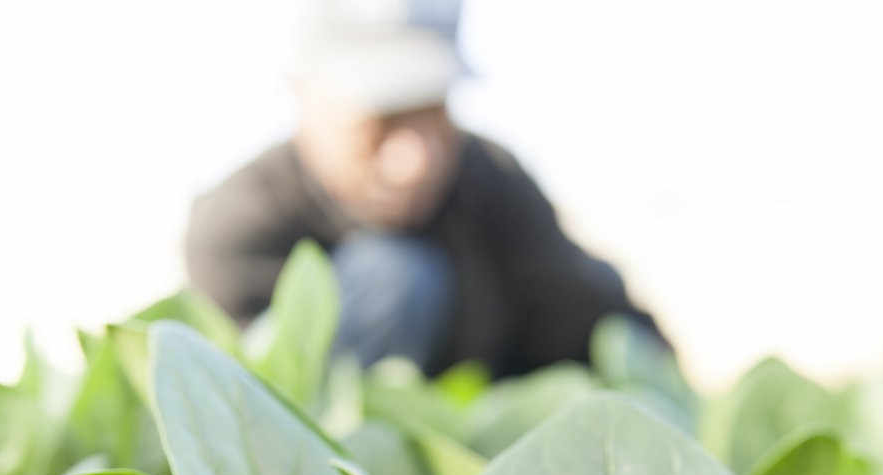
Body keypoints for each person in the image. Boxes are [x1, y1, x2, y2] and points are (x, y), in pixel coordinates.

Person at [184, 1, 662, 380]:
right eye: (381, 118)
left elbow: (589, 313)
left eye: (432, 111)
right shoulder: (238, 230)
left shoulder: (494, 185)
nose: (415, 160)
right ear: (303, 95)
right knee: (394, 280)